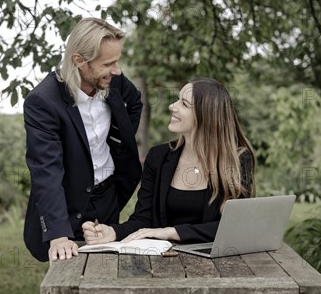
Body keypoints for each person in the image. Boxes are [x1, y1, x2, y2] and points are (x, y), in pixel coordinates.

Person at [82, 77, 255, 250]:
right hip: (163, 262)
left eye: (184, 104)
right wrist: (112, 232)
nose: (172, 106)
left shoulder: (237, 160)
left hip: (216, 266)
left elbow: (234, 228)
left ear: (206, 116)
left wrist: (172, 232)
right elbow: (143, 220)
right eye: (177, 99)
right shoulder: (158, 157)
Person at [23, 17, 143, 262]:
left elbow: (135, 103)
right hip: (68, 203)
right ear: (79, 60)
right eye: (108, 63)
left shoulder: (113, 79)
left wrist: (118, 145)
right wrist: (57, 234)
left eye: (117, 61)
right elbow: (47, 170)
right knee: (70, 270)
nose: (117, 70)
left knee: (108, 268)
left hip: (110, 195)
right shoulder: (43, 102)